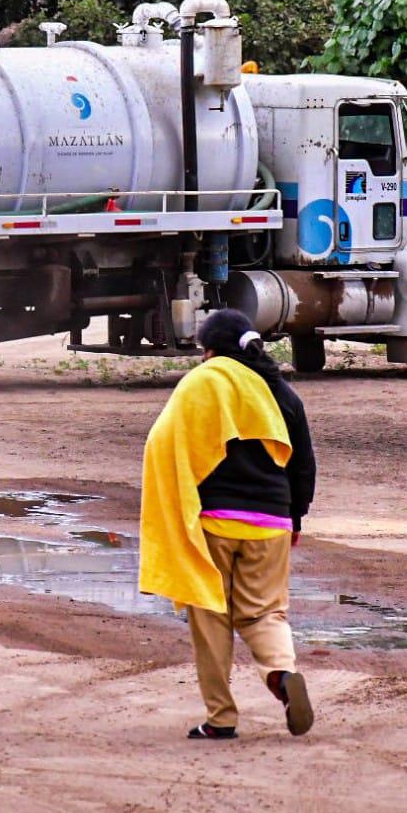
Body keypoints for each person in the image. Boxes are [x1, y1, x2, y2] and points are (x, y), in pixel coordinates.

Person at [139, 308, 317, 740]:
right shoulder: (282, 394)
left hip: (214, 520)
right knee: (264, 613)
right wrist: (295, 515)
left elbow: (163, 444)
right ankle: (280, 673)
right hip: (272, 519)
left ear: (211, 350)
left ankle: (221, 718)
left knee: (211, 616)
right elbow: (303, 463)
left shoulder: (203, 383)